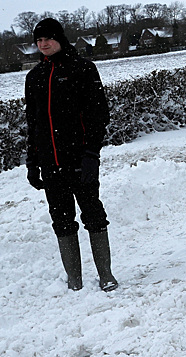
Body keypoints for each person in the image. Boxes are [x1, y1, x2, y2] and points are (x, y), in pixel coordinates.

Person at [25, 18, 118, 291]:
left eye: (48, 39)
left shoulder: (83, 70)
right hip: (50, 164)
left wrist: (91, 153)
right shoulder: (34, 78)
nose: (44, 44)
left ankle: (106, 274)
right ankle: (74, 278)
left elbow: (98, 115)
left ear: (60, 39)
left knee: (93, 214)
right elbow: (34, 123)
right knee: (62, 219)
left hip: (80, 160)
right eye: (39, 41)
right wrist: (33, 162)